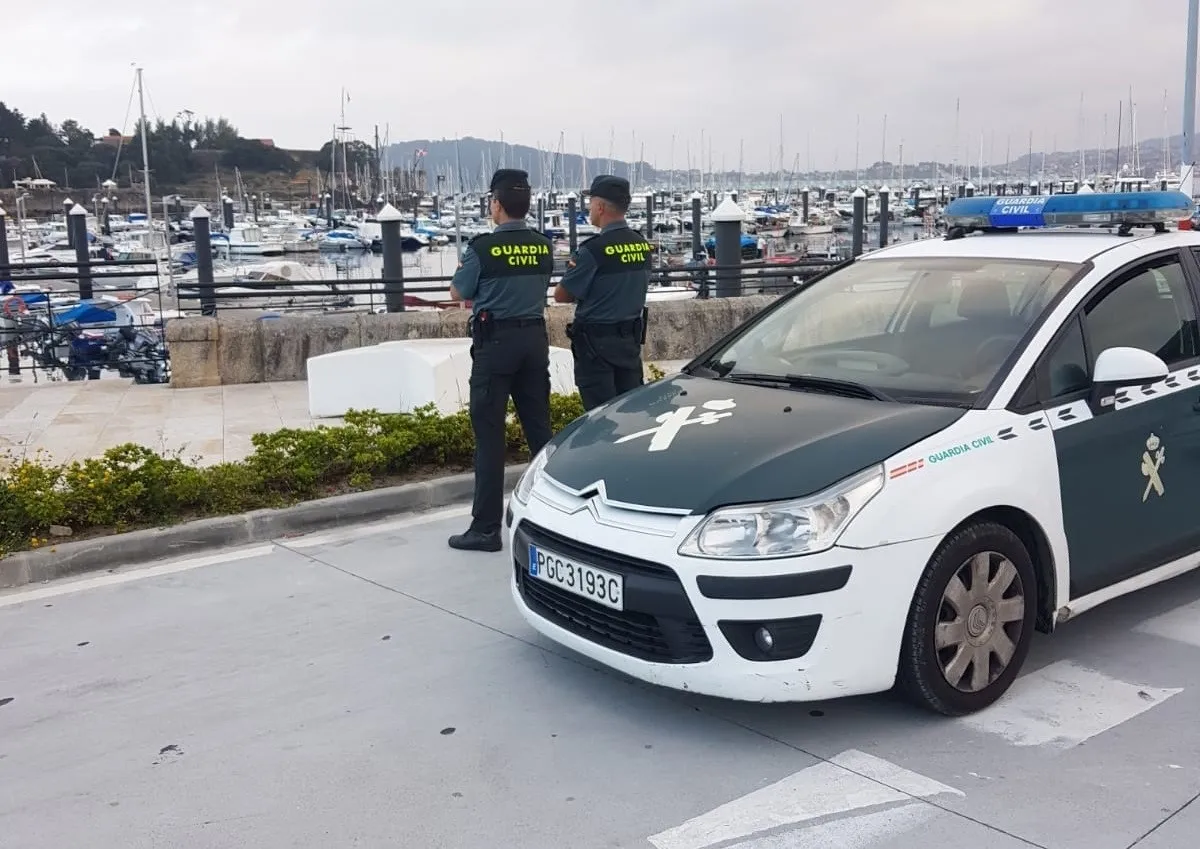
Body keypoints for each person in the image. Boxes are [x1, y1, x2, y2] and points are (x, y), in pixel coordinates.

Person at [446, 168, 554, 553]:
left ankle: (486, 528)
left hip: (495, 345)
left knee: (489, 435)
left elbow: (459, 289)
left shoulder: (482, 248)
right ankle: (553, 519)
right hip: (534, 340)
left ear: (496, 203)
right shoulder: (543, 245)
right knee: (541, 434)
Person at [554, 175, 651, 410]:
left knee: (601, 418)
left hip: (596, 347)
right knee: (632, 411)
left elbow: (562, 295)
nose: (588, 208)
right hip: (629, 342)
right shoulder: (641, 244)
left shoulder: (593, 250)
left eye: (590, 203)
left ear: (600, 206)